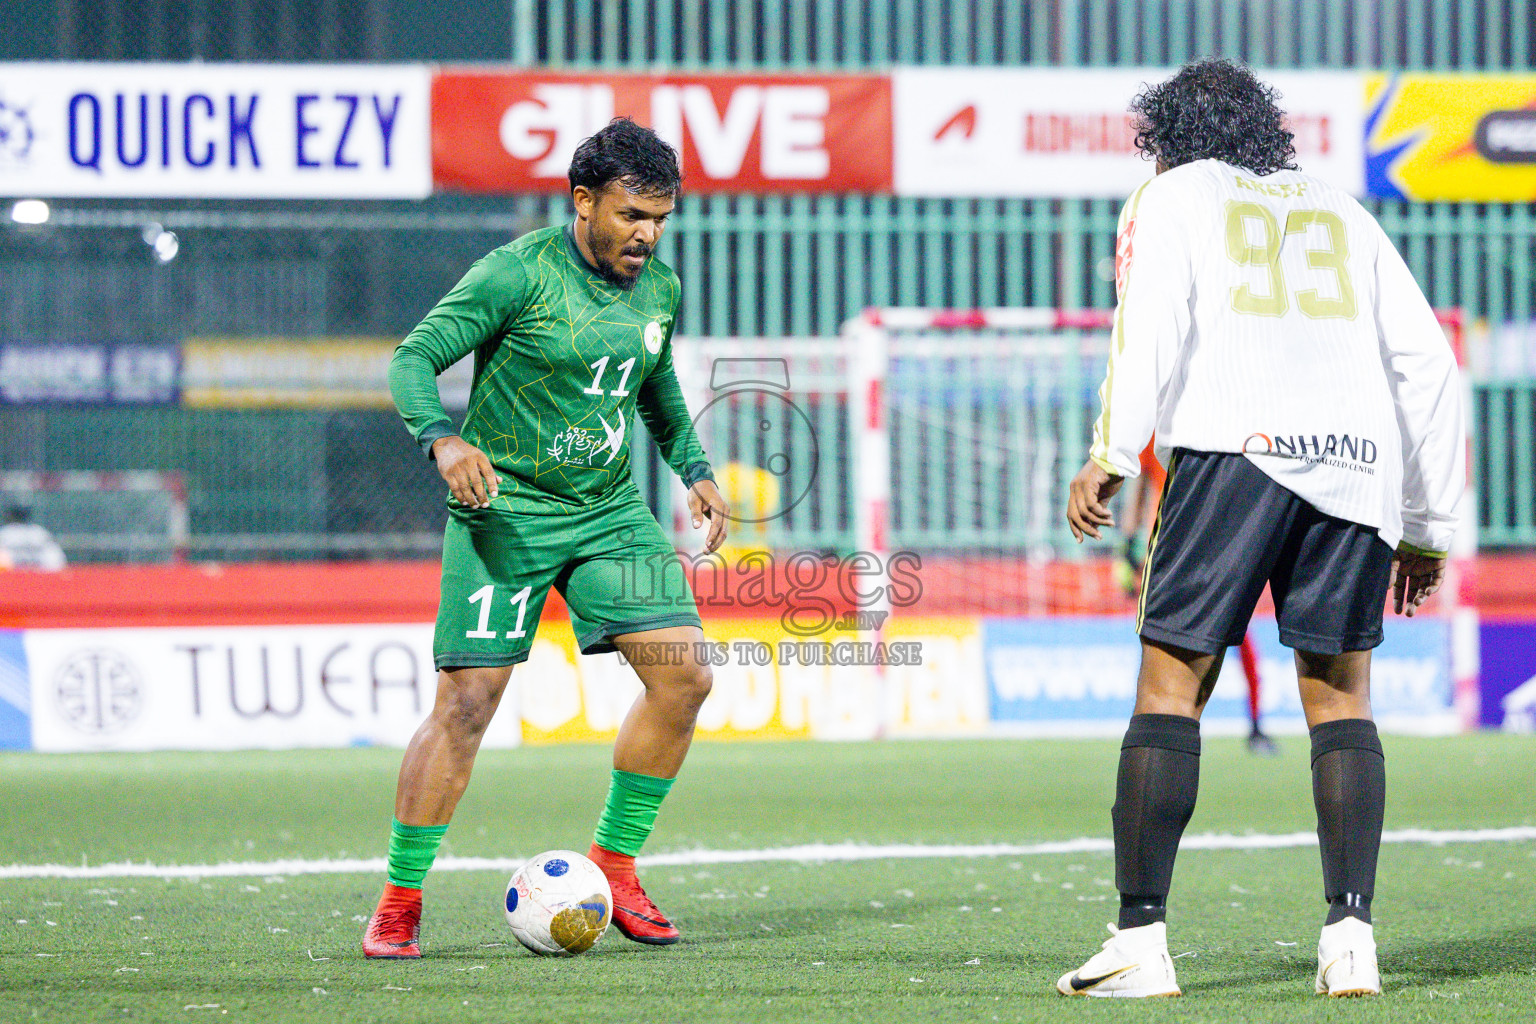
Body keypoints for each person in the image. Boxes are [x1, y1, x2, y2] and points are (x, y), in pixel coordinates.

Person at [1060, 59, 1463, 998]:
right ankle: (1351, 936)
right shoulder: (1342, 209)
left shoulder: (1172, 196)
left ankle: (1139, 941)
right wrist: (1426, 524)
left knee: (1170, 686)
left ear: (1167, 136)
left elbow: (1147, 320)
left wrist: (1111, 452)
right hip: (1358, 468)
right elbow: (1431, 365)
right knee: (1341, 698)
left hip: (1237, 449)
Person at [363, 118, 730, 959]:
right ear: (583, 201)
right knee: (465, 704)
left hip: (606, 510)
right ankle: (400, 898)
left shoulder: (659, 289)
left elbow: (654, 378)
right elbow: (413, 359)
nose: (648, 234)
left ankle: (617, 865)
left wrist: (692, 464)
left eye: (662, 219)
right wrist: (442, 439)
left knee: (686, 678)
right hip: (508, 509)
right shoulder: (515, 274)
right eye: (634, 214)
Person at [1120, 442, 1277, 755]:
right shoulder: (1189, 427)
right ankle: (1252, 726)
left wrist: (1127, 546)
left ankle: (1158, 732)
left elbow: (1137, 496)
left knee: (1164, 643)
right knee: (1232, 640)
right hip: (1202, 544)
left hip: (1171, 547)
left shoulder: (1156, 434)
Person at [0, 506, 66, 571]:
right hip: (42, 573)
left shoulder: (5, 532)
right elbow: (57, 560)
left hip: (11, 574)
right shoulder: (39, 532)